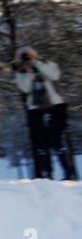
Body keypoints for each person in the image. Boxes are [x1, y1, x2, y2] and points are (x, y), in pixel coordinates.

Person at [14, 47, 77, 180]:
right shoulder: (21, 72)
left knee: (56, 138)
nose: (27, 60)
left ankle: (68, 173)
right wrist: (29, 71)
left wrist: (37, 64)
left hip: (56, 104)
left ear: (34, 55)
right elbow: (24, 88)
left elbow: (54, 75)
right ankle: (47, 175)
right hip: (35, 108)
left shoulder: (48, 64)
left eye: (29, 57)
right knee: (41, 141)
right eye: (25, 58)